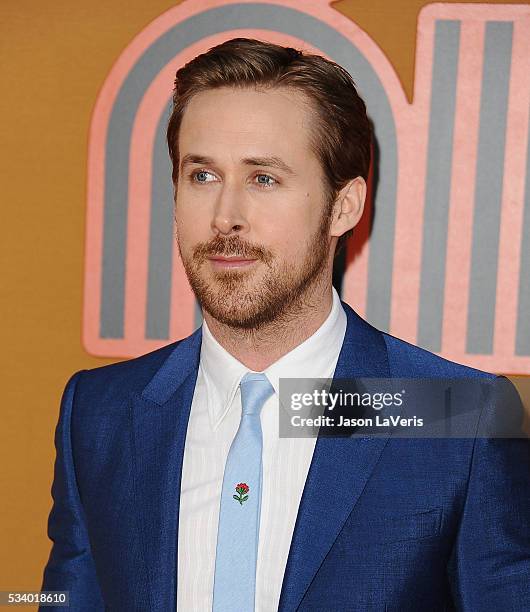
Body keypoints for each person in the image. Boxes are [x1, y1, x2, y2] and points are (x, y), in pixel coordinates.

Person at [41, 38, 530, 611]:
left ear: (343, 207)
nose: (226, 216)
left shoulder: (457, 417)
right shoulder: (100, 412)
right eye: (202, 175)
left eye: (263, 178)